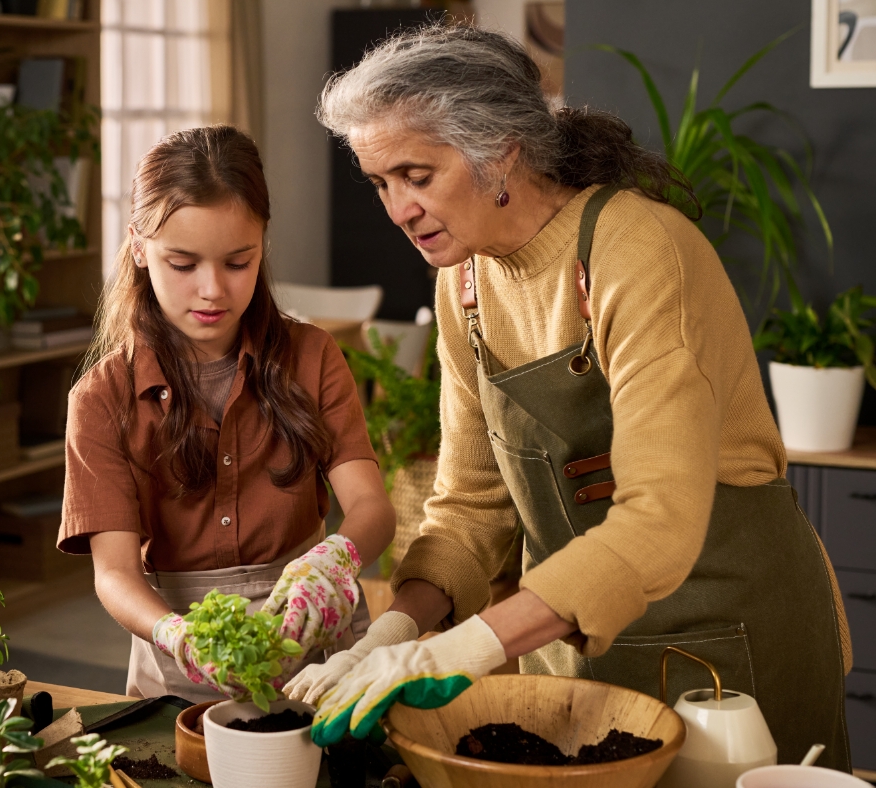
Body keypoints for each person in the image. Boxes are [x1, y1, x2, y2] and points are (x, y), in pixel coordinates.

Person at [286, 25, 853, 770]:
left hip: (727, 640)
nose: (398, 210)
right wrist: (390, 634)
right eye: (380, 182)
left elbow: (658, 522)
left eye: (417, 176)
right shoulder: (464, 284)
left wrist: (462, 647)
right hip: (568, 645)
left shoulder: (639, 251)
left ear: (502, 149)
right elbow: (469, 509)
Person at [57, 125, 397, 702]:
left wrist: (335, 559)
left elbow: (371, 507)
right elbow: (114, 573)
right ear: (139, 247)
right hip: (176, 654)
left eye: (238, 262)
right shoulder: (101, 399)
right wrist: (177, 633)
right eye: (183, 264)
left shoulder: (313, 356)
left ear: (262, 243)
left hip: (314, 644)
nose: (212, 290)